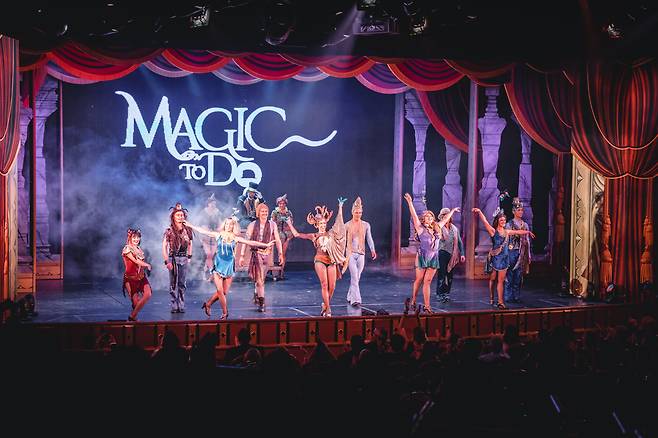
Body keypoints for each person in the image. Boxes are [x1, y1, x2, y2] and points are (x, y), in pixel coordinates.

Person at [185, 215, 274, 319]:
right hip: (218, 266)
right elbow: (203, 231)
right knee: (220, 291)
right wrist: (190, 225)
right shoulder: (218, 235)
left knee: (224, 292)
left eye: (230, 224)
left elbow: (250, 242)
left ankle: (208, 304)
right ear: (224, 225)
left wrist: (265, 245)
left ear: (233, 226)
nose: (228, 226)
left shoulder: (235, 238)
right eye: (226, 224)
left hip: (229, 267)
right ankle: (225, 312)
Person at [288, 198, 348, 317]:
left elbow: (339, 224)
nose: (323, 225)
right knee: (324, 284)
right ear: (317, 225)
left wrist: (340, 207)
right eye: (321, 224)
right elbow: (297, 234)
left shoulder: (331, 233)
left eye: (324, 223)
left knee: (332, 286)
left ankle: (325, 305)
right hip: (320, 260)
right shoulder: (314, 235)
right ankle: (328, 309)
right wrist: (289, 223)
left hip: (331, 261)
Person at [403, 193, 459, 313]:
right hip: (422, 256)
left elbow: (445, 219)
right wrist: (410, 202)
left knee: (427, 282)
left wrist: (453, 211)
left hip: (434, 257)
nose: (429, 218)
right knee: (419, 279)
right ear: (423, 219)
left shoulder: (437, 227)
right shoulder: (420, 228)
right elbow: (414, 215)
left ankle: (427, 306)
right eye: (427, 217)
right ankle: (413, 300)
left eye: (431, 217)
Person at [472, 207, 534, 309]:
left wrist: (527, 232)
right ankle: (492, 297)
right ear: (497, 221)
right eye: (501, 220)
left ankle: (500, 302)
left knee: (501, 281)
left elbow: (518, 232)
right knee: (493, 279)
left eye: (504, 220)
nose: (503, 222)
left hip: (504, 259)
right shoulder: (493, 231)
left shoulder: (507, 231)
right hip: (495, 258)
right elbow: (485, 221)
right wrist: (479, 212)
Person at [239, 203, 283, 312]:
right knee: (260, 280)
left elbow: (277, 240)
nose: (264, 213)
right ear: (258, 213)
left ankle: (256, 292)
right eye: (262, 211)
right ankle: (262, 303)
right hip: (257, 253)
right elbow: (246, 241)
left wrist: (280, 254)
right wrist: (242, 255)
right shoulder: (252, 225)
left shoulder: (272, 224)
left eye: (266, 211)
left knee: (262, 278)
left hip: (267, 254)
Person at [343, 197, 376, 306]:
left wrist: (372, 249)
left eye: (360, 213)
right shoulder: (347, 225)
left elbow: (369, 238)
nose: (358, 214)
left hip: (361, 253)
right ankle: (355, 300)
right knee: (354, 276)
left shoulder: (366, 225)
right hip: (350, 254)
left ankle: (349, 295)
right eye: (356, 212)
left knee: (357, 277)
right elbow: (342, 240)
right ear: (352, 212)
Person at [162, 202, 194, 313]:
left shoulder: (188, 229)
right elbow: (164, 246)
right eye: (178, 215)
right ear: (173, 217)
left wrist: (189, 256)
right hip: (173, 258)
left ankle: (181, 304)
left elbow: (190, 243)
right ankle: (174, 305)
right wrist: (167, 261)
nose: (180, 217)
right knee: (173, 283)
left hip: (183, 258)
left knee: (182, 283)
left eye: (181, 215)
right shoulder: (169, 230)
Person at [435, 207, 465, 303]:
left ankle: (446, 293)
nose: (446, 217)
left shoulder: (454, 229)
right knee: (442, 274)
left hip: (452, 254)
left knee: (450, 276)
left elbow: (459, 242)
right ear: (441, 217)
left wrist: (462, 254)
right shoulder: (438, 226)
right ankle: (440, 294)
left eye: (447, 215)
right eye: (444, 215)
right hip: (441, 252)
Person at [504, 197, 532, 303]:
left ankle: (516, 296)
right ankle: (508, 296)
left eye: (521, 210)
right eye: (518, 210)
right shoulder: (509, 224)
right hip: (511, 251)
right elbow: (505, 239)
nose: (521, 212)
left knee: (518, 275)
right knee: (509, 274)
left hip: (521, 251)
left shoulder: (525, 225)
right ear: (513, 211)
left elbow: (527, 240)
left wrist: (529, 254)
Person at [122, 228, 152, 321]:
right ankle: (134, 316)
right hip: (131, 279)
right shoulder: (127, 248)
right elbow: (136, 261)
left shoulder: (139, 249)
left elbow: (139, 264)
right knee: (136, 303)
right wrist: (147, 265)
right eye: (134, 237)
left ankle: (132, 316)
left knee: (148, 294)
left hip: (141, 277)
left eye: (138, 237)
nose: (136, 239)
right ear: (130, 238)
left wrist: (145, 268)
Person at [270, 194, 294, 279]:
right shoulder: (275, 212)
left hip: (286, 234)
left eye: (283, 203)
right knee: (274, 253)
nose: (281, 205)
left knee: (282, 253)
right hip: (277, 234)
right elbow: (272, 223)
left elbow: (291, 224)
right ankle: (273, 270)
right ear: (278, 204)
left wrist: (288, 224)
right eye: (280, 203)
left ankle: (281, 271)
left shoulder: (288, 212)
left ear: (285, 204)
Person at [199, 193, 221, 281]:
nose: (213, 205)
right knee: (208, 254)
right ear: (208, 203)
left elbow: (220, 222)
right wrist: (201, 235)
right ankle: (209, 272)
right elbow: (200, 224)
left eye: (214, 203)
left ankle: (207, 271)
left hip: (214, 234)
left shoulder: (217, 212)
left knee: (211, 255)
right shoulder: (203, 212)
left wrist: (220, 231)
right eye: (212, 203)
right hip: (205, 234)